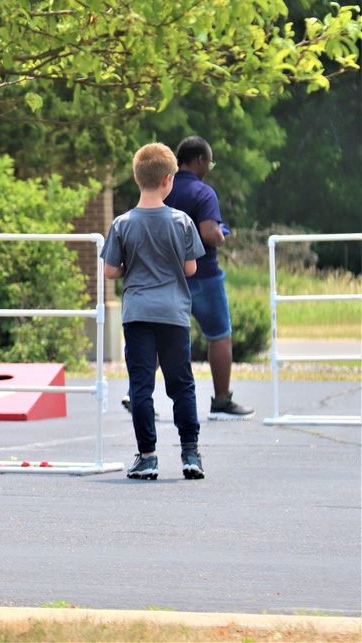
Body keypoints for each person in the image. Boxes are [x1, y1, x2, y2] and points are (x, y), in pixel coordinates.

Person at [102, 143, 206, 480]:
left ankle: (147, 456)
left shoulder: (122, 224)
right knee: (181, 384)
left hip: (137, 313)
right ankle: (190, 453)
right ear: (168, 180)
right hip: (173, 312)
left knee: (141, 386)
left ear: (136, 177)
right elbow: (190, 268)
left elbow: (110, 271)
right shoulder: (182, 222)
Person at [165, 136, 254, 420]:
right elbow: (208, 233)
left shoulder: (162, 189)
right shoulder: (203, 193)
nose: (209, 167)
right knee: (219, 336)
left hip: (168, 276)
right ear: (201, 160)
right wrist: (221, 234)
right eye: (210, 162)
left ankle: (136, 393)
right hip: (204, 276)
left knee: (160, 335)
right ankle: (221, 401)